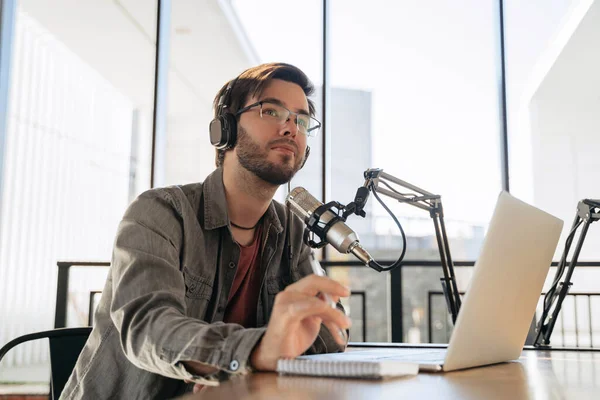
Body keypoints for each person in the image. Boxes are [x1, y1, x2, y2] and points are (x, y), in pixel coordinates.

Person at [61, 62, 351, 399]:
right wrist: (251, 352)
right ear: (224, 130)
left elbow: (330, 330)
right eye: (271, 110)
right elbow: (148, 327)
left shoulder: (291, 231)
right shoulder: (160, 212)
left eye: (301, 119)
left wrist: (249, 362)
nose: (290, 127)